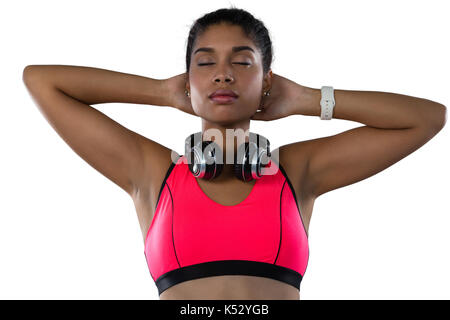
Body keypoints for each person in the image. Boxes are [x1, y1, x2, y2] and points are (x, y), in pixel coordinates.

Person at [22, 7, 446, 300]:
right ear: (187, 79)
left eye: (242, 62)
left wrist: (307, 99)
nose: (223, 72)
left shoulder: (296, 171)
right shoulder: (151, 172)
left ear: (267, 80)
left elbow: (426, 118)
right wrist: (160, 92)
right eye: (205, 63)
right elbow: (41, 81)